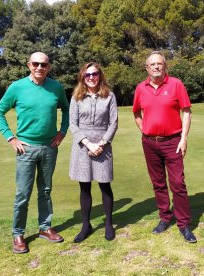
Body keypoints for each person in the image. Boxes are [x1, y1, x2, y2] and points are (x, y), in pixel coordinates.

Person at [0, 52, 69, 253]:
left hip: (49, 148)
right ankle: (18, 234)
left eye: (43, 64)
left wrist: (62, 132)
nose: (39, 68)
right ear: (29, 65)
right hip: (25, 148)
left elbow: (67, 110)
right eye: (35, 64)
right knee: (23, 194)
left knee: (45, 190)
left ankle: (45, 228)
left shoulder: (56, 87)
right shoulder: (17, 87)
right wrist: (10, 137)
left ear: (48, 67)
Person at [132, 51, 197, 243]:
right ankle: (164, 217)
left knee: (178, 183)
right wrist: (145, 130)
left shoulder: (175, 84)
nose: (156, 67)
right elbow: (136, 113)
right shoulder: (140, 88)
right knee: (158, 183)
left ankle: (184, 224)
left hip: (173, 142)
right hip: (150, 143)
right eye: (152, 64)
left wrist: (183, 139)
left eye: (159, 64)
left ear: (165, 66)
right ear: (147, 68)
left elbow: (187, 112)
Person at [69, 62, 118, 242]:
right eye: (87, 74)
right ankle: (86, 225)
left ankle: (108, 224)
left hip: (103, 146)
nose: (91, 77)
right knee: (85, 186)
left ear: (100, 75)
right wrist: (89, 144)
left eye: (94, 74)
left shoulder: (109, 96)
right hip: (82, 146)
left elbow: (113, 122)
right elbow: (73, 124)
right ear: (83, 76)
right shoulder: (76, 96)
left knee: (105, 184)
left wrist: (102, 143)